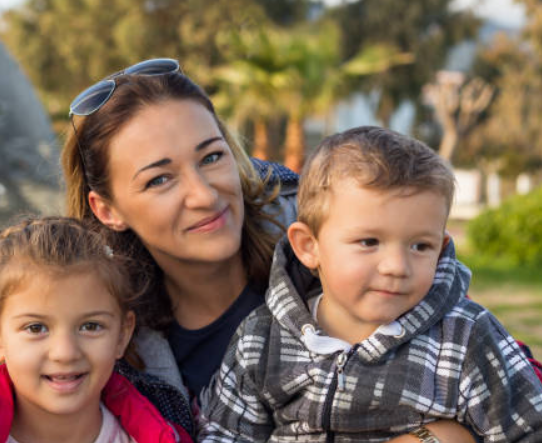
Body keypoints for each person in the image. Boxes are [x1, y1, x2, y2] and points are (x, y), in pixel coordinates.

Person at [61, 58, 479, 441]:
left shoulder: (348, 247)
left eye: (211, 157)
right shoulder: (107, 340)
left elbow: (486, 390)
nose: (204, 196)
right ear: (108, 210)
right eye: (159, 180)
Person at [199, 126, 542, 442]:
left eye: (420, 246)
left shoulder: (464, 337)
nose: (396, 267)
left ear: (441, 248)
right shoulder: (261, 339)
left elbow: (530, 429)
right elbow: (226, 434)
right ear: (308, 246)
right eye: (369, 242)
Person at [0, 216, 193, 443]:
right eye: (36, 327)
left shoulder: (154, 435)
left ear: (122, 334)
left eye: (91, 326)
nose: (65, 353)